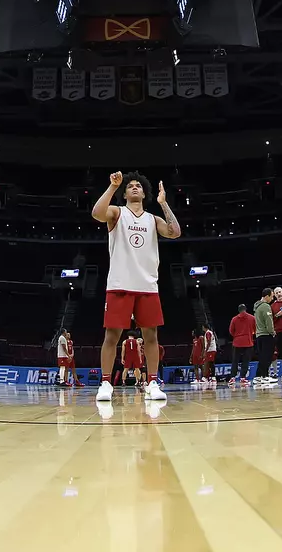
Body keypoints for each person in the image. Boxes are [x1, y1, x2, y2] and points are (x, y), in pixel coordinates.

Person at [91, 172, 181, 403]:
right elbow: (96, 213)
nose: (134, 188)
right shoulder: (117, 213)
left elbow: (175, 232)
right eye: (129, 186)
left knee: (151, 336)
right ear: (125, 193)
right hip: (120, 283)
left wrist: (164, 204)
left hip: (147, 285)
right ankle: (105, 383)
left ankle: (152, 382)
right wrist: (112, 187)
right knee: (111, 336)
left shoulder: (153, 219)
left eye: (138, 186)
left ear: (144, 193)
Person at [252, 289, 277, 383]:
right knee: (267, 356)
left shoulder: (257, 306)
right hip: (266, 335)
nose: (272, 298)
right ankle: (264, 376)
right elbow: (269, 322)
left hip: (259, 335)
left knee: (262, 356)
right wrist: (272, 332)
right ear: (266, 296)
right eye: (272, 296)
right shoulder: (266, 306)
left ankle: (258, 376)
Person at [229, 302, 255, 384]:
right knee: (246, 361)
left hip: (237, 342)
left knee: (235, 361)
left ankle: (232, 377)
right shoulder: (252, 318)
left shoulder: (234, 319)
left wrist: (237, 336)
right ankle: (243, 378)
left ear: (238, 310)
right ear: (245, 309)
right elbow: (255, 329)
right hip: (248, 342)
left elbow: (231, 331)